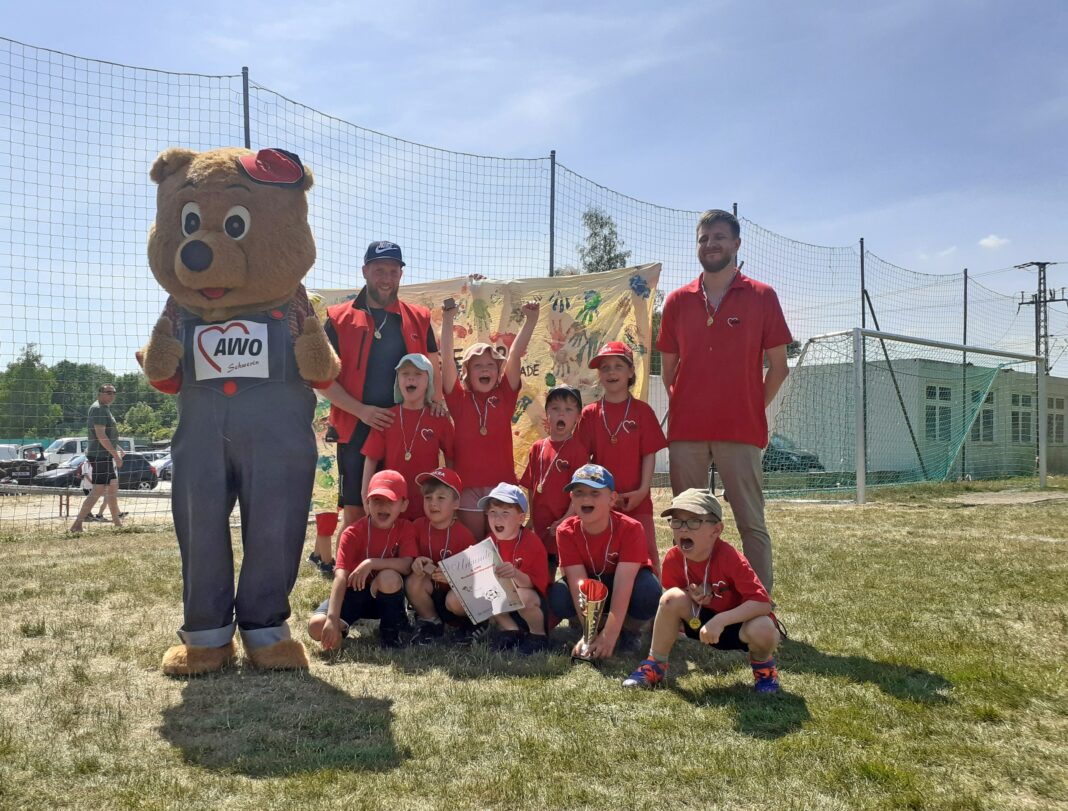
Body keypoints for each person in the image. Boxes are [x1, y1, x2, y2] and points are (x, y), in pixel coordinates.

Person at [657, 209, 792, 593]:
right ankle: (687, 604)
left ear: (736, 244)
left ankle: (759, 609)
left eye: (718, 237)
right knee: (685, 522)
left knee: (751, 523)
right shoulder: (677, 301)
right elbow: (669, 371)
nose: (711, 244)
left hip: (741, 430)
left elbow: (779, 368)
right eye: (703, 238)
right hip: (687, 432)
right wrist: (688, 404)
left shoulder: (762, 296)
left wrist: (749, 406)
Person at [320, 241, 444, 532]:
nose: (386, 278)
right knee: (355, 510)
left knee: (406, 505)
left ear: (401, 274)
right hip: (355, 426)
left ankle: (394, 573)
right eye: (379, 270)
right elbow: (322, 380)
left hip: (406, 429)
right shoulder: (337, 319)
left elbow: (434, 366)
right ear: (365, 271)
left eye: (392, 270)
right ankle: (353, 577)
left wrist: (436, 401)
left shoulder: (420, 317)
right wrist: (362, 411)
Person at [622, 488, 780, 693]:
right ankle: (655, 665)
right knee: (671, 598)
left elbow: (762, 603)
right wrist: (693, 596)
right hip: (700, 622)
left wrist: (720, 621)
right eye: (677, 521)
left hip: (737, 627)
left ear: (716, 530)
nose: (683, 529)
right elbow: (676, 600)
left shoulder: (730, 558)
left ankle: (764, 670)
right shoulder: (674, 558)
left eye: (694, 521)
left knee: (764, 628)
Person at [440, 297, 540, 539]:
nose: (484, 369)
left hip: (502, 486)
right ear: (467, 373)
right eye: (477, 366)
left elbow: (515, 357)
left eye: (490, 365)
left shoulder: (505, 395)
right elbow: (446, 361)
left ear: (498, 373)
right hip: (468, 488)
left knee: (501, 545)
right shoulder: (459, 399)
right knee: (476, 546)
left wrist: (531, 320)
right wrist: (447, 319)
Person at [548, 464, 662, 659]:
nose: (586, 498)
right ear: (571, 498)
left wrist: (610, 636)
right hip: (591, 586)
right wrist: (589, 634)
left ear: (612, 499)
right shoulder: (565, 531)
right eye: (579, 492)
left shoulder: (631, 529)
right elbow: (578, 585)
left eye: (594, 493)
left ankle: (629, 630)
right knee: (559, 595)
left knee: (649, 591)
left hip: (624, 585)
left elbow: (623, 584)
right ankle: (594, 628)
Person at [577, 342, 667, 575]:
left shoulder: (642, 411)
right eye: (605, 367)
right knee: (604, 559)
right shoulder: (590, 414)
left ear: (630, 372)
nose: (611, 372)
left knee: (647, 558)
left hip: (637, 501)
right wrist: (596, 496)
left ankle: (650, 606)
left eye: (618, 366)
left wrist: (642, 491)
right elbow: (583, 461)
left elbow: (649, 454)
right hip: (602, 502)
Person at [308, 469, 417, 649]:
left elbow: (407, 565)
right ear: (367, 502)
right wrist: (332, 619)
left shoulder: (405, 528)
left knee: (389, 577)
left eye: (390, 501)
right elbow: (341, 576)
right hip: (355, 594)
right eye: (376, 501)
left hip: (386, 594)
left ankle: (390, 630)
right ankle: (341, 628)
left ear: (404, 504)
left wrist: (371, 563)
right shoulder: (352, 533)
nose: (383, 507)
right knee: (316, 627)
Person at [361, 353, 455, 521]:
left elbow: (451, 458)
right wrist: (365, 493)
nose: (411, 379)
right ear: (398, 381)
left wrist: (450, 494)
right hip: (392, 506)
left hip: (428, 507)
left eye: (418, 374)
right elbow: (371, 458)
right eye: (405, 374)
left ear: (428, 382)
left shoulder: (438, 418)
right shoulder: (387, 417)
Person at [519, 385, 589, 579]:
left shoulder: (578, 451)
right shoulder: (537, 448)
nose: (561, 414)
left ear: (577, 417)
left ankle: (570, 605)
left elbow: (580, 492)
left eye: (568, 410)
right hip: (541, 528)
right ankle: (546, 606)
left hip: (566, 526)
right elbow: (532, 487)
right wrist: (531, 519)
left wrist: (565, 519)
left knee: (569, 574)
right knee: (542, 574)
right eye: (555, 408)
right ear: (547, 414)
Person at [404, 467, 478, 646]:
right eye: (428, 498)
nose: (433, 504)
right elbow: (409, 557)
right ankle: (431, 622)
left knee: (458, 598)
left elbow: (475, 578)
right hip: (431, 595)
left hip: (455, 600)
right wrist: (416, 562)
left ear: (455, 503)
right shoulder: (417, 527)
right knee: (414, 580)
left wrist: (453, 577)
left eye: (441, 498)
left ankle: (472, 625)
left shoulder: (464, 535)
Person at [478, 483, 551, 655]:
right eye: (493, 513)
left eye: (505, 513)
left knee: (523, 595)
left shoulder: (532, 543)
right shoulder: (489, 541)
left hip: (532, 605)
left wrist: (515, 574)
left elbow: (535, 584)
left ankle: (538, 636)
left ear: (520, 518)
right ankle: (510, 630)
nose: (497, 519)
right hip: (505, 605)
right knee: (484, 589)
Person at [69, 384, 124, 532]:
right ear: (99, 393)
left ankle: (118, 524)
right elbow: (100, 435)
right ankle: (77, 524)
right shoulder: (98, 408)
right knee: (99, 489)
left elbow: (105, 435)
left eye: (114, 392)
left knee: (112, 486)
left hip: (103, 454)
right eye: (108, 392)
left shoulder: (104, 408)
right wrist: (115, 456)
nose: (112, 395)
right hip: (100, 455)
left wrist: (118, 449)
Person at [307, 398, 340, 577]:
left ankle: (317, 555)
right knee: (327, 515)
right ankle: (327, 563)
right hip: (325, 467)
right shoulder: (320, 402)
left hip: (331, 463)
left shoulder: (321, 399)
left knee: (328, 512)